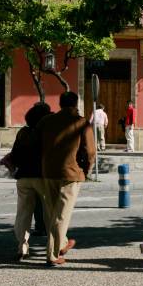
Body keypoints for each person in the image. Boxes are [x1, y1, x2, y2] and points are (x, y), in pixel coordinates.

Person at [37, 92, 95, 266]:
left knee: (52, 212)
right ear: (76, 104)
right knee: (61, 215)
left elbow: (36, 141)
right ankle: (52, 255)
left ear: (60, 103)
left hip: (48, 171)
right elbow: (91, 151)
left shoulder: (46, 121)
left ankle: (62, 244)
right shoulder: (81, 122)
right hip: (70, 172)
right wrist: (86, 170)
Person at [11, 102, 52, 260]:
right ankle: (55, 246)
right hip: (43, 176)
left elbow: (14, 154)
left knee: (23, 213)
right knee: (50, 212)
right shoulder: (47, 134)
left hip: (23, 176)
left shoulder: (23, 133)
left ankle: (22, 247)